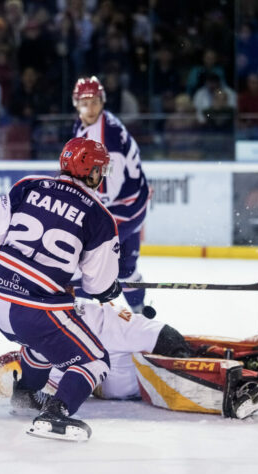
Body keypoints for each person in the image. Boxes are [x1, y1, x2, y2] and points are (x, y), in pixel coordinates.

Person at [0, 137, 121, 441]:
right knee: (95, 360)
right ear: (89, 171)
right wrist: (109, 289)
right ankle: (56, 413)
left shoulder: (29, 185)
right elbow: (97, 284)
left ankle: (24, 394)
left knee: (43, 344)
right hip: (36, 312)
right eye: (99, 170)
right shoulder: (99, 216)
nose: (101, 176)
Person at [0, 300, 258, 420]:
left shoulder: (106, 318)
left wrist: (183, 355)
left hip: (146, 372)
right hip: (128, 386)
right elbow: (14, 382)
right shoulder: (47, 330)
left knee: (171, 356)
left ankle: (243, 372)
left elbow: (162, 334)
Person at [71, 76, 151, 315]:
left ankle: (78, 316)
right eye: (85, 102)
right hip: (131, 201)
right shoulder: (84, 125)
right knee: (126, 269)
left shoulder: (108, 136)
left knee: (87, 257)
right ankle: (138, 312)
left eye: (95, 101)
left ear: (102, 101)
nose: (90, 107)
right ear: (76, 104)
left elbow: (108, 190)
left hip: (125, 207)